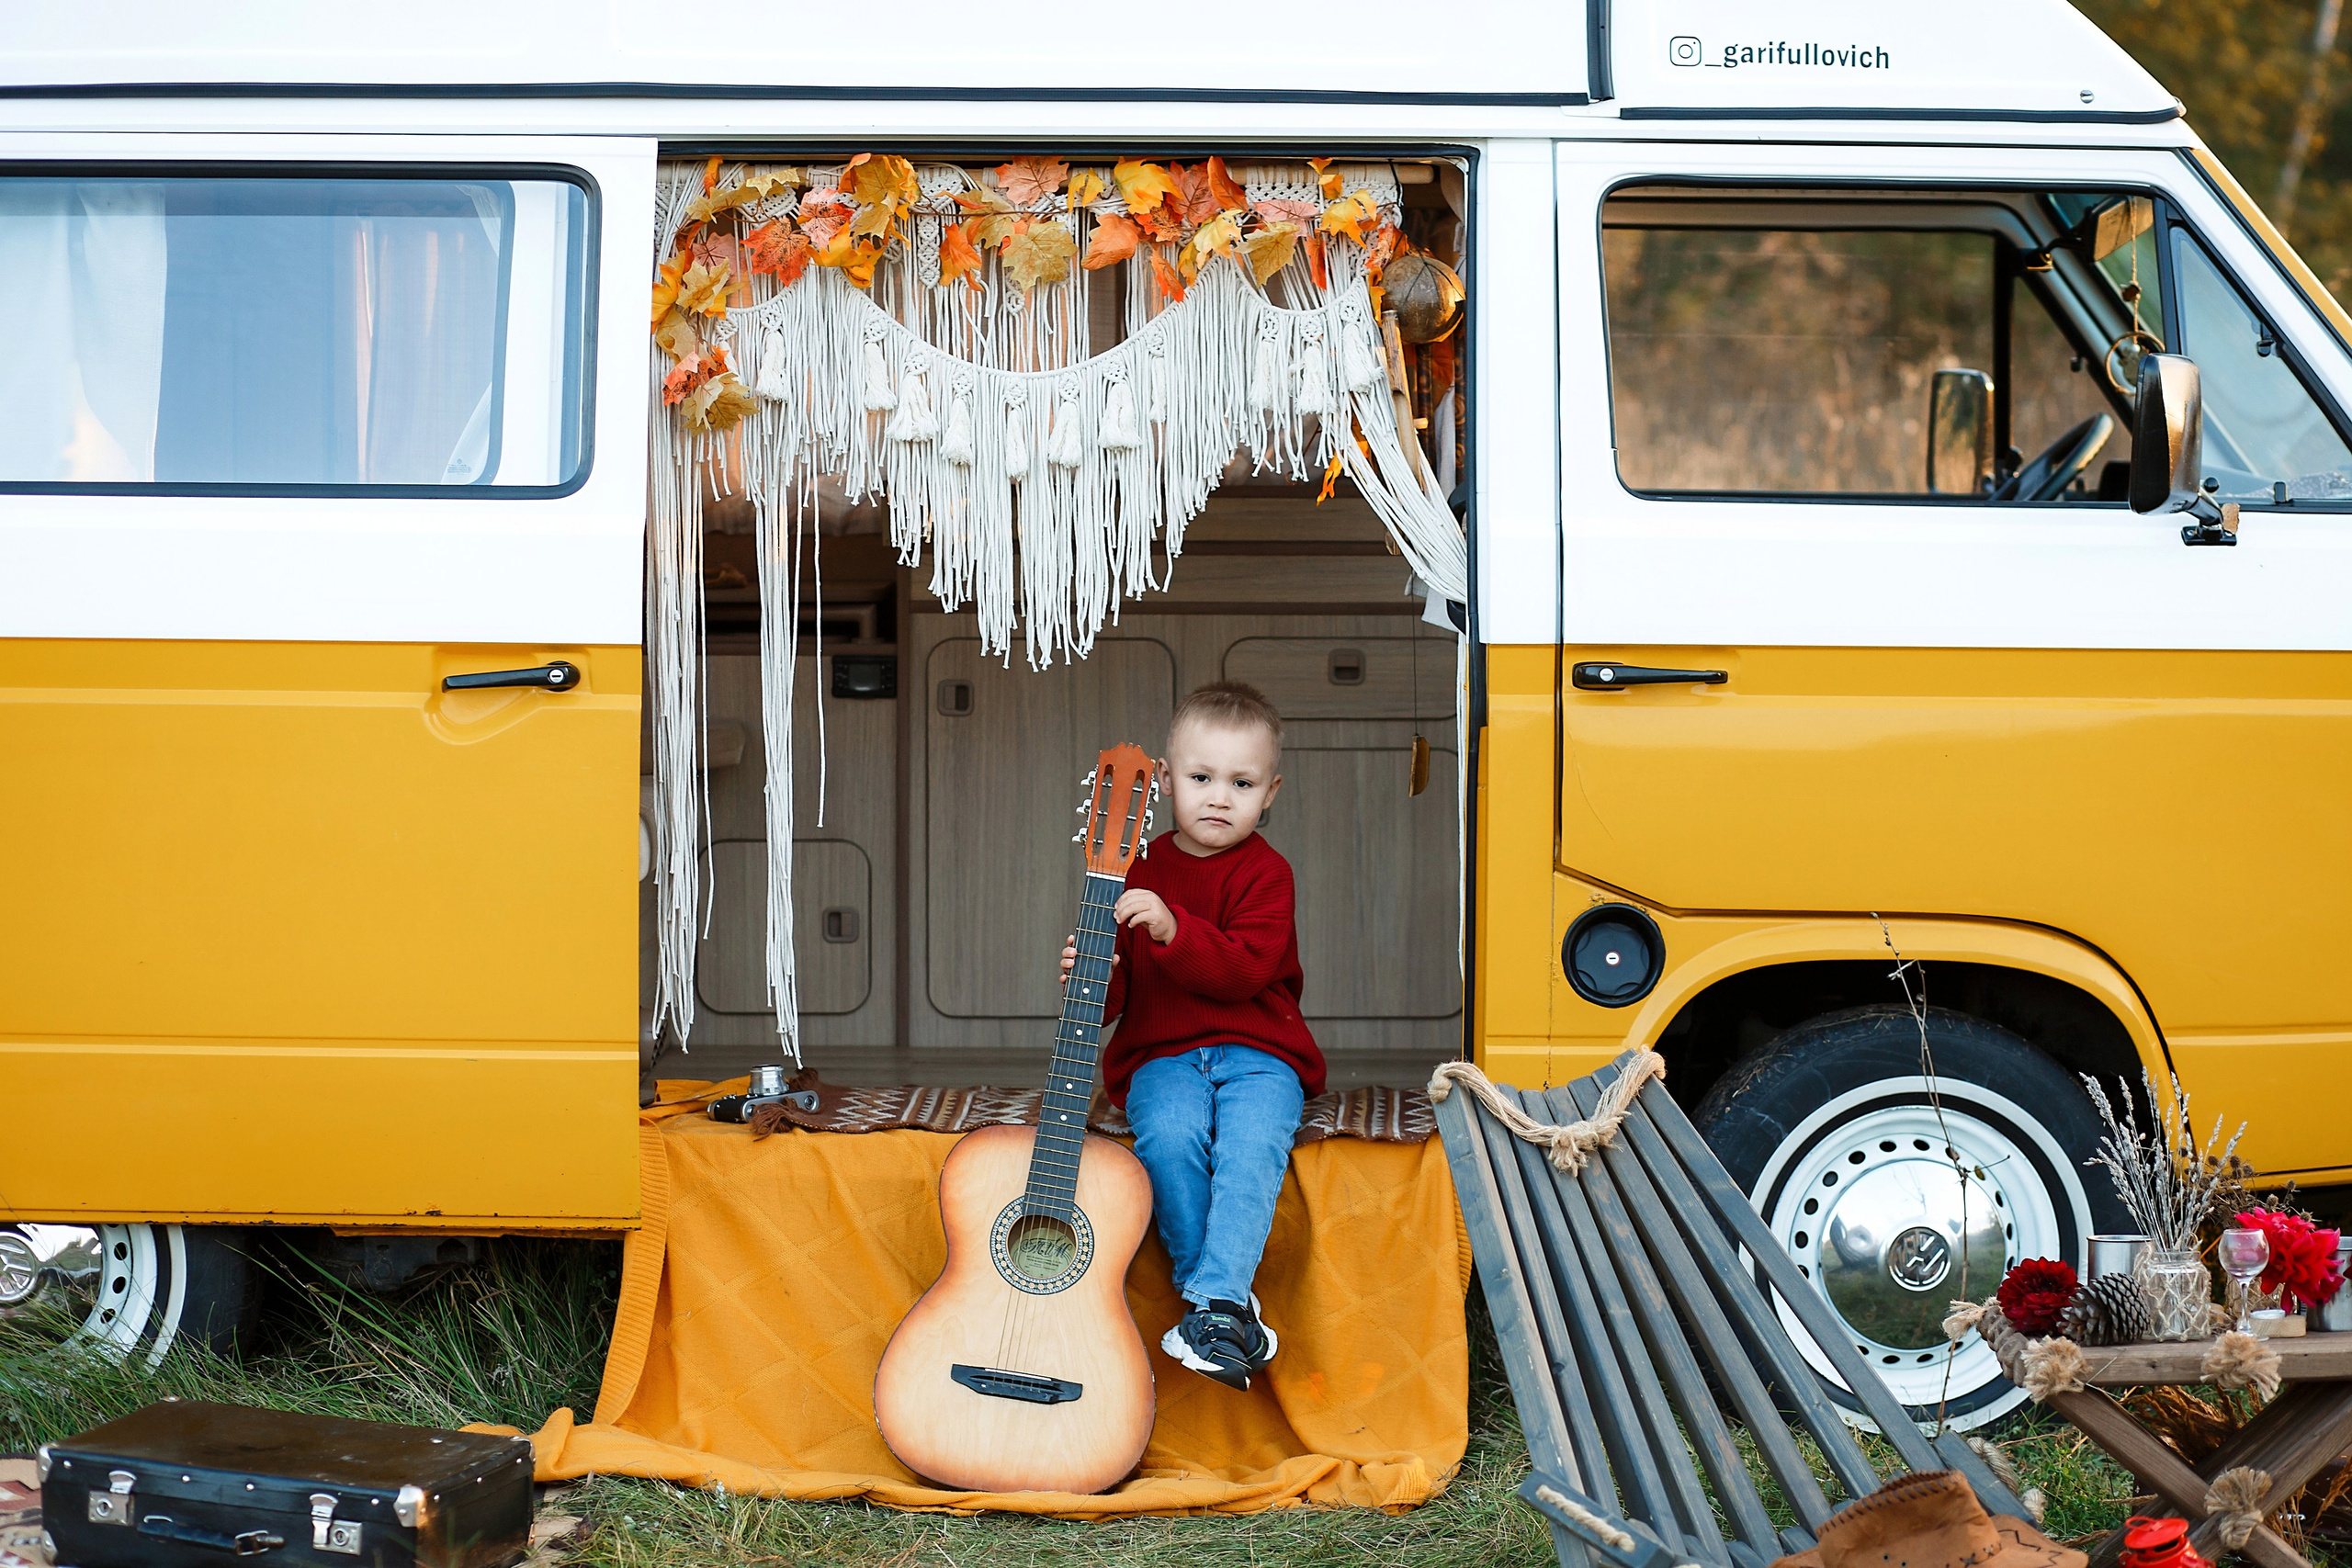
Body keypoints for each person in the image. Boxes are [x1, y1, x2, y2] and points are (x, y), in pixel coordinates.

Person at [1059, 681, 1325, 1390]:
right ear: (1166, 780)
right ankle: (1218, 1306)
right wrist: (1091, 970)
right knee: (1171, 1136)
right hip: (1162, 1053)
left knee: (1250, 1143)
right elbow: (1114, 1000)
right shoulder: (1133, 867)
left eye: (1242, 783)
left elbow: (1244, 970)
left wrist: (1174, 928)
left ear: (1270, 792)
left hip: (1261, 1053)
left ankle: (1216, 1302)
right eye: (1202, 778)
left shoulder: (1268, 874)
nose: (1219, 798)